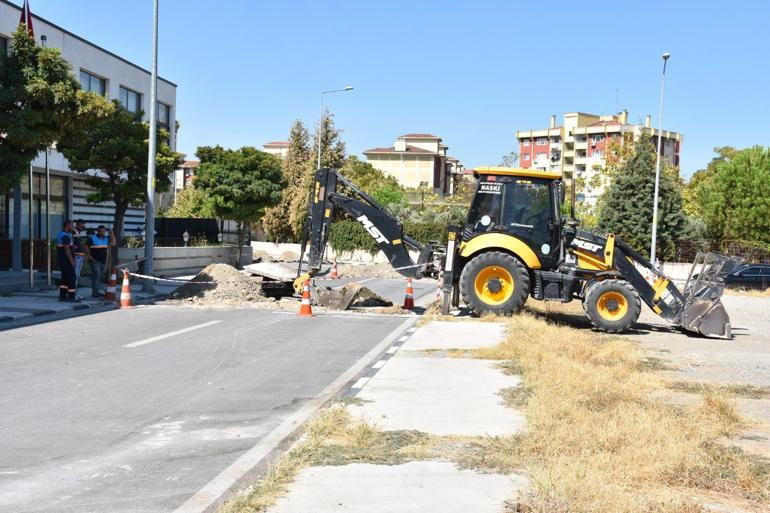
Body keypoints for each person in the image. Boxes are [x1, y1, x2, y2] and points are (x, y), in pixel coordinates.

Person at [56, 220, 78, 302]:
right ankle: (71, 296)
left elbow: (67, 246)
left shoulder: (63, 234)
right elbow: (66, 249)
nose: (73, 227)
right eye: (72, 226)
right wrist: (72, 261)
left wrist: (73, 247)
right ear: (68, 226)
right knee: (71, 278)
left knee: (65, 278)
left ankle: (63, 296)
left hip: (63, 260)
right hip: (66, 261)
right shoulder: (65, 236)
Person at [86, 225, 110, 298]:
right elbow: (85, 246)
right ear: (98, 231)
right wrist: (89, 256)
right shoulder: (92, 238)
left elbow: (113, 243)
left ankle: (96, 291)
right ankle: (95, 293)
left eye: (104, 231)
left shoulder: (106, 239)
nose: (102, 232)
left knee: (98, 277)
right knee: (97, 276)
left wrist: (111, 232)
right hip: (95, 261)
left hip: (103, 261)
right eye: (101, 231)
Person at [72, 219, 89, 294]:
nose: (82, 228)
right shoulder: (73, 232)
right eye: (81, 226)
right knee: (75, 274)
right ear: (77, 225)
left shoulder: (78, 232)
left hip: (80, 255)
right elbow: (70, 242)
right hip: (76, 255)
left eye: (83, 227)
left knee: (77, 275)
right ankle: (72, 291)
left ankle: (74, 291)